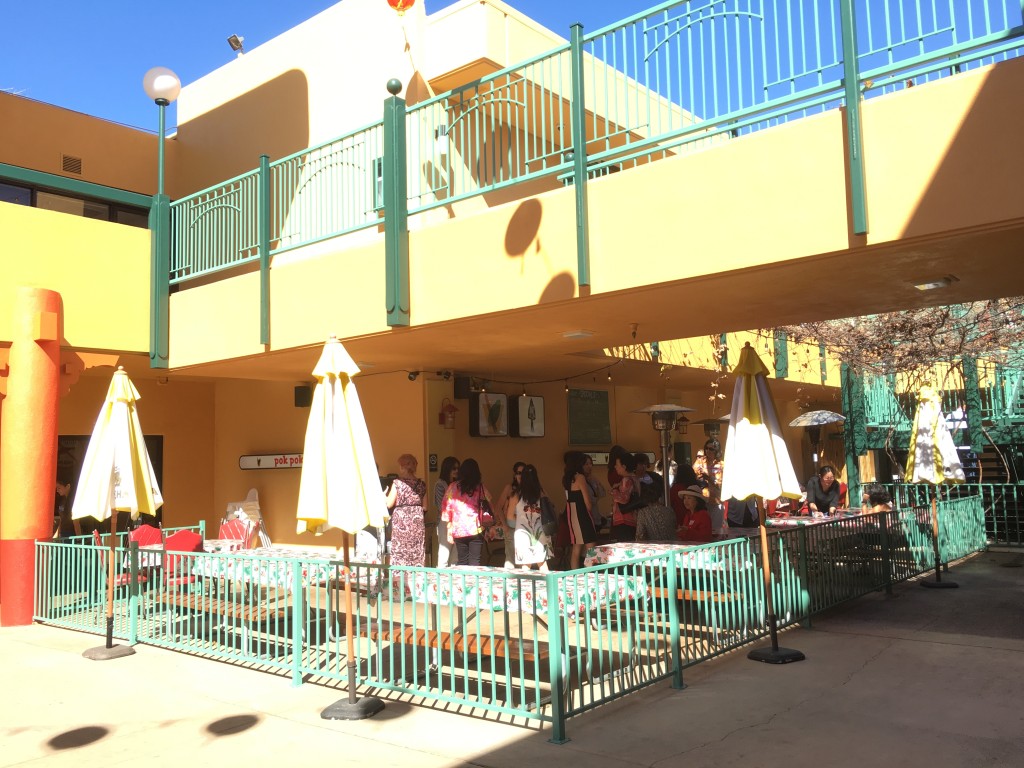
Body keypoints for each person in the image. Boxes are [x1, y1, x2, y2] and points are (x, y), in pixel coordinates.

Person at [441, 458, 492, 566]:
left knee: (462, 560)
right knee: (475, 560)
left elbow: (446, 508)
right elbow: (490, 502)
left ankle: (463, 582)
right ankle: (473, 582)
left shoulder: (453, 487)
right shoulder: (480, 487)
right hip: (476, 528)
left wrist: (449, 526)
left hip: (459, 529)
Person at [384, 454, 427, 567]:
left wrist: (383, 497)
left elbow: (389, 504)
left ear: (403, 467)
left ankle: (400, 579)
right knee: (416, 550)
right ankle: (416, 577)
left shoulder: (397, 483)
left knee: (401, 551)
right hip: (417, 522)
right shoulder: (422, 484)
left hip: (401, 521)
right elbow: (426, 507)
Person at [506, 464, 551, 570]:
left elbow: (509, 517)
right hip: (540, 531)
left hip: (522, 533)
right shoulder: (541, 493)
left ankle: (526, 587)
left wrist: (522, 520)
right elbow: (549, 507)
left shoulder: (516, 495)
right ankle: (548, 586)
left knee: (525, 565)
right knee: (542, 563)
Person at [562, 451, 597, 570]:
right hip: (582, 515)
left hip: (571, 514)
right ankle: (590, 573)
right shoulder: (580, 477)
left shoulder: (567, 479)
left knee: (576, 548)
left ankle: (575, 576)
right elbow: (588, 502)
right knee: (591, 548)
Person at [494, 461, 526, 569]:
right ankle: (509, 584)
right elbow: (498, 507)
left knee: (524, 560)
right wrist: (505, 526)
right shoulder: (509, 488)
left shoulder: (530, 489)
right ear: (514, 474)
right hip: (511, 528)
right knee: (510, 559)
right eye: (518, 472)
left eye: (523, 473)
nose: (520, 475)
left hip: (525, 529)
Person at [433, 456, 459, 567]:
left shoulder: (458, 484)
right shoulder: (440, 484)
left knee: (455, 556)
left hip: (457, 522)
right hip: (445, 522)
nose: (456, 471)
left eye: (458, 468)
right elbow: (440, 506)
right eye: (454, 468)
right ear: (447, 469)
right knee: (444, 554)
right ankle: (441, 581)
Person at [609, 451, 640, 542]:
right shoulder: (636, 479)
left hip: (624, 521)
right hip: (634, 520)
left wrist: (614, 491)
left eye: (617, 464)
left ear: (624, 467)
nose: (615, 467)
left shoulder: (626, 480)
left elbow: (624, 499)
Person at [582, 454, 607, 531]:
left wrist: (596, 482)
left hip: (595, 517)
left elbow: (603, 493)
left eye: (590, 464)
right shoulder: (581, 481)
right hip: (586, 518)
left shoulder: (592, 479)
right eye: (586, 464)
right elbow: (591, 500)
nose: (589, 466)